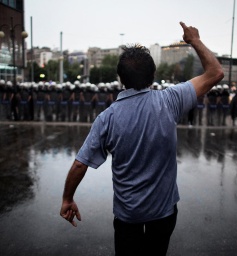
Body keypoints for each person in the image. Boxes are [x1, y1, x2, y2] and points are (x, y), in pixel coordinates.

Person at [60, 22, 224, 256]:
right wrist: (194, 41)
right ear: (153, 75)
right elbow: (216, 72)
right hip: (164, 212)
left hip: (128, 216)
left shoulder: (107, 118)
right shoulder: (170, 100)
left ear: (120, 78)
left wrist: (67, 198)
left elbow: (80, 164)